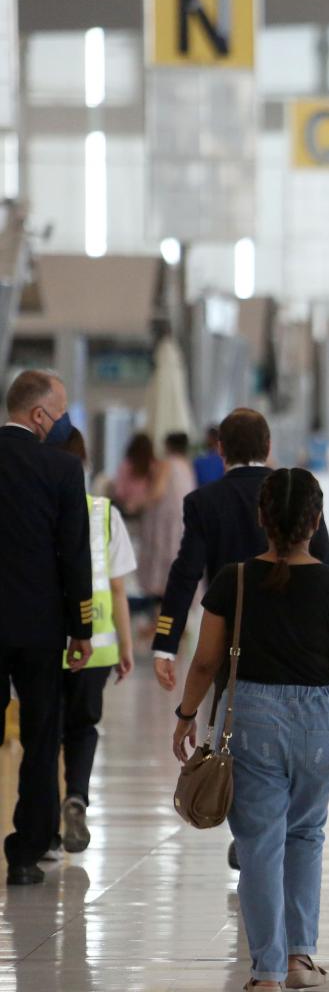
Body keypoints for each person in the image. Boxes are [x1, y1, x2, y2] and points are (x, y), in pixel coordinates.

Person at [172, 468, 329, 992]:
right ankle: (299, 958)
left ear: (262, 518)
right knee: (306, 832)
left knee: (260, 843)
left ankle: (265, 972)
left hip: (253, 719)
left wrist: (187, 713)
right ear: (317, 521)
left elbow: (206, 661)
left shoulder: (232, 581)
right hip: (324, 726)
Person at [152, 408, 329, 873]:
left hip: (232, 641)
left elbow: (185, 573)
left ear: (220, 449)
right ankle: (270, 827)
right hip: (299, 639)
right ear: (268, 445)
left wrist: (165, 643)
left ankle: (254, 826)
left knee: (235, 735)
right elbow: (326, 567)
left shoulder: (204, 501)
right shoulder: (297, 491)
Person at [0, 370, 93, 886]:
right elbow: (75, 555)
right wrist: (82, 628)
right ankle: (25, 851)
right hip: (40, 625)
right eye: (60, 412)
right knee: (40, 737)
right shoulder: (61, 469)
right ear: (39, 416)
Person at [56, 431, 136, 855]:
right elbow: (119, 588)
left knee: (47, 728)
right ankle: (76, 797)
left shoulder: (37, 510)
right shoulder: (104, 514)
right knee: (83, 728)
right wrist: (126, 646)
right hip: (100, 647)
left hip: (48, 642)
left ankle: (44, 822)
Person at [137, 432, 196, 600]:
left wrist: (137, 505)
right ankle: (175, 622)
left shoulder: (166, 464)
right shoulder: (187, 465)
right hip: (182, 522)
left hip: (164, 523)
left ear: (168, 446)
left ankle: (159, 621)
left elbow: (157, 492)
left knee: (160, 572)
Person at [112, 432, 155, 516]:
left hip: (127, 510)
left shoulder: (126, 466)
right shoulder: (153, 467)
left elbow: (119, 492)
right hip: (148, 511)